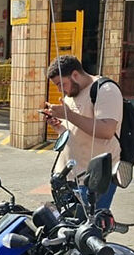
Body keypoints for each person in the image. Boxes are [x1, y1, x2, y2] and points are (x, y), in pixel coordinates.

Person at [42, 55, 123, 210]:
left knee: (90, 230)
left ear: (75, 75)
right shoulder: (72, 93)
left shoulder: (105, 90)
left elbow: (106, 130)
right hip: (68, 178)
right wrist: (58, 125)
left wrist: (69, 114)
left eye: (61, 84)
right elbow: (75, 129)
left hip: (93, 180)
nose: (60, 90)